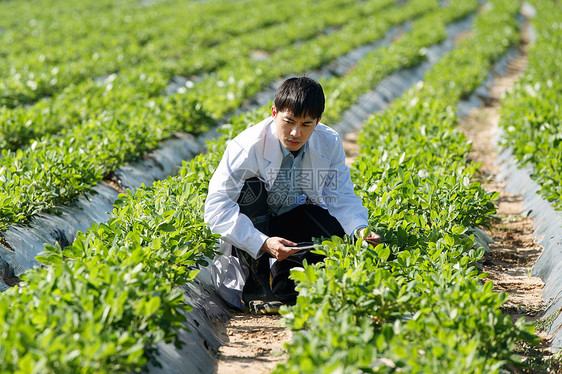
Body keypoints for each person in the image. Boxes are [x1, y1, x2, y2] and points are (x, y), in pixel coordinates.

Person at [204, 76, 380, 312]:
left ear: (318, 121)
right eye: (289, 121)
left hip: (291, 220)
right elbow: (217, 210)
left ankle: (281, 281)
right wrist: (263, 242)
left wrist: (360, 228)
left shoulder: (329, 141)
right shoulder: (246, 148)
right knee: (251, 189)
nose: (296, 132)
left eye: (306, 124)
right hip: (253, 228)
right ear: (274, 112)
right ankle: (256, 286)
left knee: (340, 243)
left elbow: (340, 195)